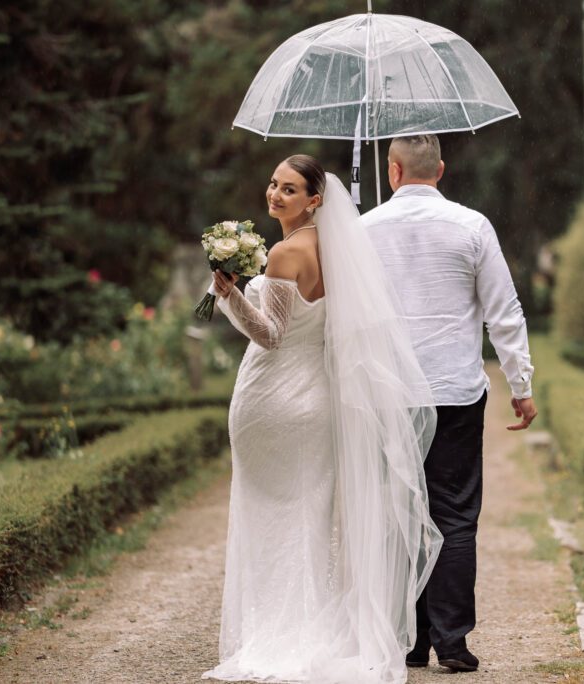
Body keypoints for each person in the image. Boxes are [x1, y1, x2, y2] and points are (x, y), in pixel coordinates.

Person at [201, 155, 442, 683]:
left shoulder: (287, 252)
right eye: (272, 184)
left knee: (269, 520)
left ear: (315, 199)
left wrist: (229, 295)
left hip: (272, 400)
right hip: (318, 402)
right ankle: (306, 628)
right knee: (309, 522)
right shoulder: (337, 251)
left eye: (289, 189)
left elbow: (270, 335)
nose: (275, 195)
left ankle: (280, 635)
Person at [362, 135, 538, 673]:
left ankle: (409, 641)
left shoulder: (362, 231)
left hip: (390, 396)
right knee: (456, 515)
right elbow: (503, 311)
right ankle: (454, 641)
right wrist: (521, 385)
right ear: (440, 169)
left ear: (392, 171)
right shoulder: (472, 226)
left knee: (399, 515)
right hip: (456, 392)